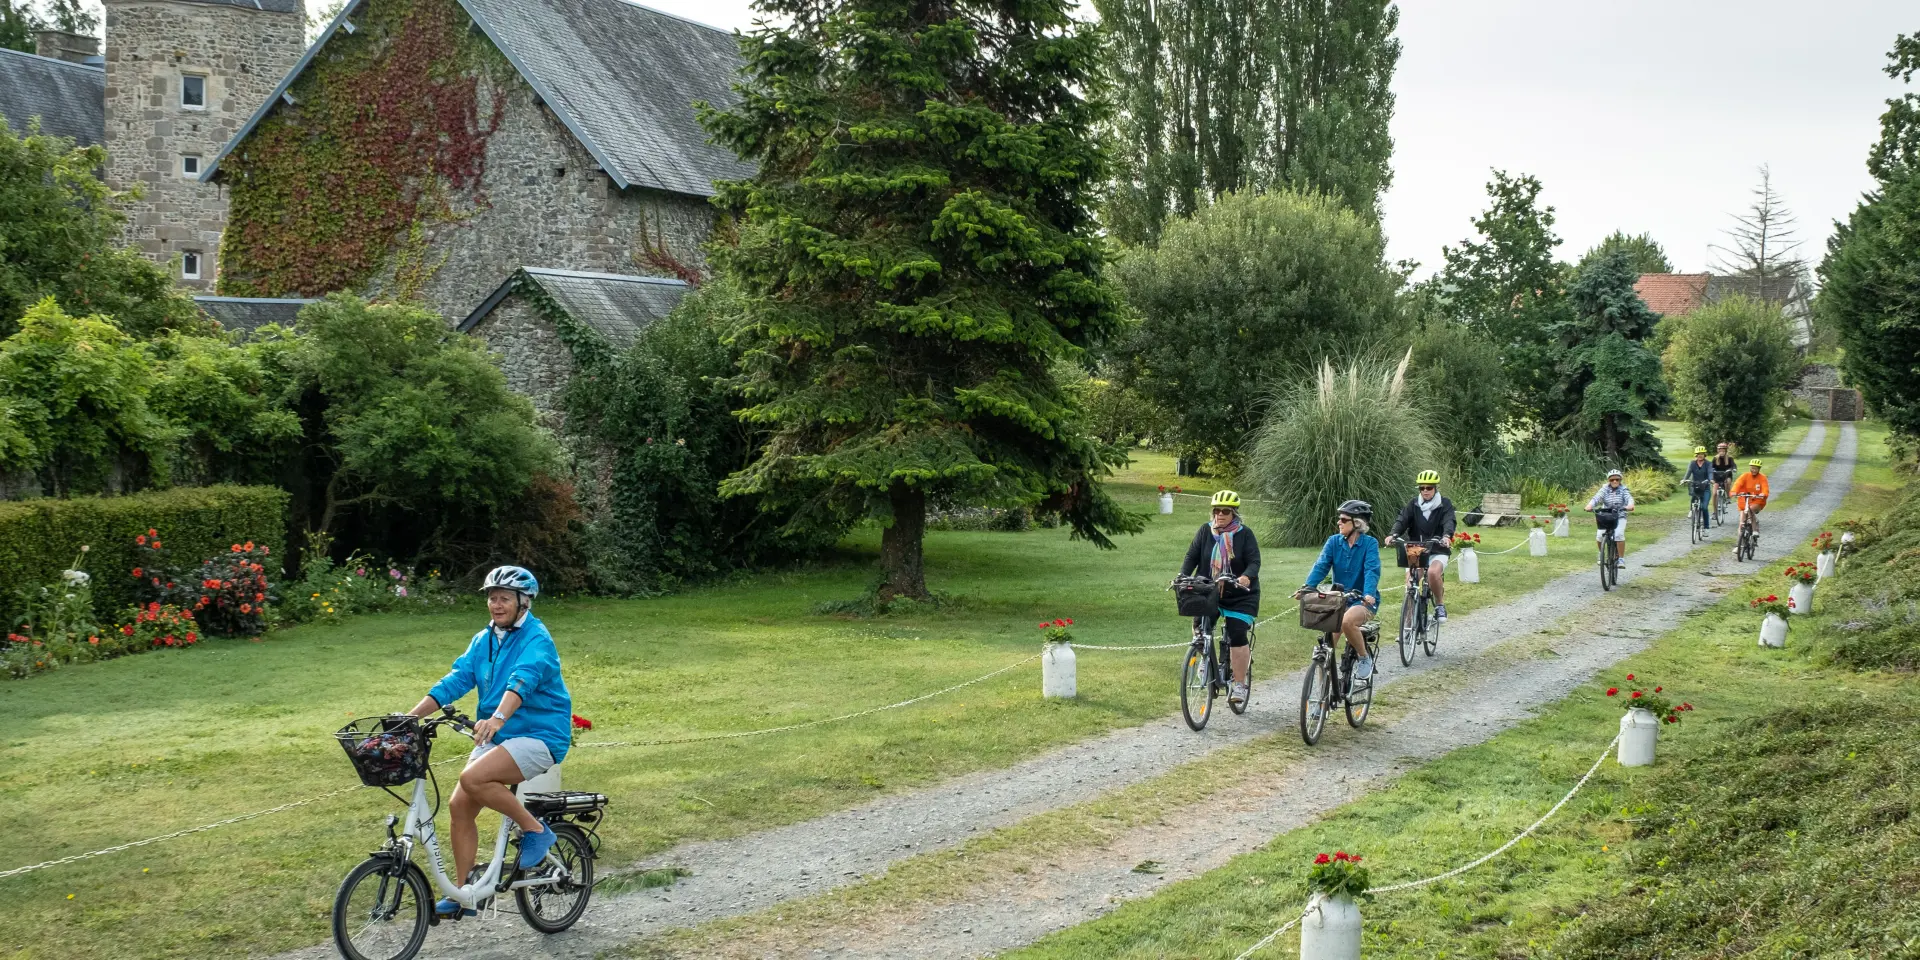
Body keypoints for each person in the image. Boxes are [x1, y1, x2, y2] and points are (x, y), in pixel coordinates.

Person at [405, 565, 573, 918]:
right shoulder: (485, 639)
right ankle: (468, 893)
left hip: (539, 734)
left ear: (523, 603)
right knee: (459, 806)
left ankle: (535, 830)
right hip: (500, 735)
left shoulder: (536, 639)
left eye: (504, 599)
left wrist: (497, 718)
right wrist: (409, 717)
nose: (496, 605)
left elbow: (521, 682)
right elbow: (456, 679)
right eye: (492, 598)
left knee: (473, 779)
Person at [1179, 490, 1261, 706]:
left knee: (1236, 633)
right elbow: (1191, 557)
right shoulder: (1205, 531)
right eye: (1217, 510)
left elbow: (1254, 561)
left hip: (1240, 594)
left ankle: (1240, 684)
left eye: (1225, 511)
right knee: (1199, 622)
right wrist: (1183, 576)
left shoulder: (1245, 534)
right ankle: (1204, 656)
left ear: (1234, 513)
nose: (1220, 515)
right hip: (1210, 590)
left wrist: (1246, 576)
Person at [1297, 500, 1382, 682]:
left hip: (1361, 600)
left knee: (1347, 622)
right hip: (1339, 599)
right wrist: (1307, 587)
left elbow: (1371, 570)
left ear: (1357, 523)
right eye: (1339, 519)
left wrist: (1368, 593)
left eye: (1344, 519)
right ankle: (1322, 694)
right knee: (1326, 647)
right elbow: (1321, 566)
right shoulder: (1333, 542)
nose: (1339, 522)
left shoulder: (1370, 544)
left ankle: (1364, 658)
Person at [1385, 469, 1455, 623]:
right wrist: (1393, 534)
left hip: (1437, 548)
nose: (1425, 491)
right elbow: (1402, 519)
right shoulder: (1413, 504)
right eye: (1422, 488)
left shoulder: (1445, 504)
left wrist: (1446, 536)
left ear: (1435, 488)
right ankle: (1408, 625)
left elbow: (1449, 521)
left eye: (1429, 488)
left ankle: (1440, 605)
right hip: (1416, 548)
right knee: (1411, 582)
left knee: (1432, 573)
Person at [1584, 469, 1636, 566]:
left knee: (1619, 534)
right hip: (1606, 516)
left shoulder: (1623, 490)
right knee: (1600, 535)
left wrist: (1629, 505)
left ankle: (1621, 559)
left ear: (1620, 480)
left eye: (1617, 479)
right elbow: (1596, 498)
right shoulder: (1604, 489)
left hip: (1620, 516)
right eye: (1612, 480)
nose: (1615, 481)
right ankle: (1601, 553)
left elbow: (1629, 499)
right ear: (1609, 480)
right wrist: (1589, 506)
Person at [1731, 459, 1771, 534]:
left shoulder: (1762, 478)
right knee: (1741, 522)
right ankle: (1741, 542)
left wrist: (1763, 494)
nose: (1754, 470)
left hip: (1757, 501)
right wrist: (1734, 492)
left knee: (1750, 509)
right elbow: (1738, 484)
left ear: (1759, 469)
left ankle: (1755, 529)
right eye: (1752, 468)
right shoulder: (1745, 476)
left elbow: (1765, 488)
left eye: (1756, 468)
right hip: (1744, 501)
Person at [1682, 447, 1715, 527]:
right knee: (1694, 495)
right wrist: (1684, 480)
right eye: (1698, 454)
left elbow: (1710, 472)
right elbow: (1688, 472)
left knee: (1704, 507)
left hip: (1705, 487)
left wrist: (1711, 479)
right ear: (1696, 455)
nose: (1700, 455)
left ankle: (1706, 527)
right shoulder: (1692, 463)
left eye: (1702, 454)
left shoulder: (1708, 464)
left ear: (1704, 455)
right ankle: (1691, 510)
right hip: (1695, 485)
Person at [1710, 443, 1737, 509]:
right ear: (1718, 451)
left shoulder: (1730, 458)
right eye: (1720, 450)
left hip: (1727, 474)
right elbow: (1711, 466)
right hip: (1717, 475)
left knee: (1727, 482)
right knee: (1714, 485)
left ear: (1726, 451)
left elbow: (1733, 465)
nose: (1722, 452)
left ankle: (1728, 497)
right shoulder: (1715, 458)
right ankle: (1715, 505)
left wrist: (1734, 468)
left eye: (1723, 450)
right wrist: (1710, 470)